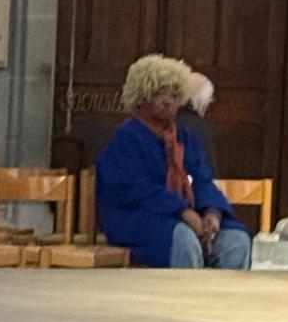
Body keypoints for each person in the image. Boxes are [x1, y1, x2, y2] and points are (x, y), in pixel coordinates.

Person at [96, 54, 250, 270]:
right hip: (138, 217)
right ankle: (183, 292)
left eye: (175, 95)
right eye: (160, 93)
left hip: (187, 214)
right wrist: (183, 212)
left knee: (236, 240)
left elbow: (203, 180)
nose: (169, 101)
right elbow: (136, 189)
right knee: (182, 238)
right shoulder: (126, 138)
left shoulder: (187, 138)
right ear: (141, 96)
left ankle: (220, 293)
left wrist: (212, 213)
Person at [177, 71, 217, 173]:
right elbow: (207, 170)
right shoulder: (198, 127)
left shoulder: (159, 119)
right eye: (209, 101)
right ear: (202, 101)